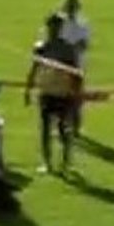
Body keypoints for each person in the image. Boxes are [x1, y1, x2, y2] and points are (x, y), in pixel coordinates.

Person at [24, 13, 82, 174]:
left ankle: (65, 162)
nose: (53, 30)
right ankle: (47, 162)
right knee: (45, 129)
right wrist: (28, 89)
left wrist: (76, 94)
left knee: (63, 129)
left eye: (57, 27)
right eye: (51, 27)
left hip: (63, 93)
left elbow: (76, 74)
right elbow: (34, 69)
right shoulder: (41, 48)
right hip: (46, 91)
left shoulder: (68, 49)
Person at [58, 0, 91, 137]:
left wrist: (70, 48)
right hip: (59, 65)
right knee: (59, 97)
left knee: (76, 98)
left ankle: (76, 127)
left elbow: (84, 45)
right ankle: (62, 126)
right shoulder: (58, 23)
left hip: (77, 66)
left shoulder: (82, 24)